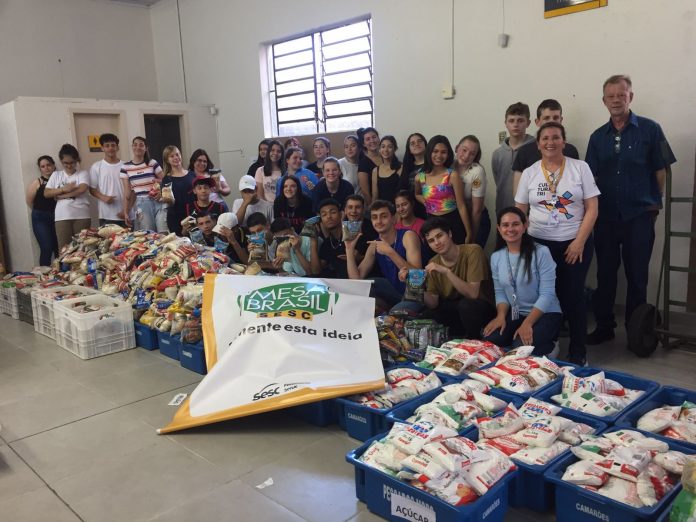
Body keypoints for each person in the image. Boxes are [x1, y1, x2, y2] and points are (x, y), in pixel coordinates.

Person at [585, 74, 676, 344]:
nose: (616, 100)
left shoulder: (651, 129)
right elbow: (590, 179)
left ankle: (637, 333)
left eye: (621, 95)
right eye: (611, 96)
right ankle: (604, 327)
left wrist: (654, 204)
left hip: (639, 215)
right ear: (604, 101)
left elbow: (661, 171)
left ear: (630, 97)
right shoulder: (596, 137)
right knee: (605, 274)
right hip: (605, 217)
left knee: (637, 276)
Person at [515, 122, 600, 365]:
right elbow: (520, 211)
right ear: (538, 144)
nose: (550, 142)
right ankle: (549, 343)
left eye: (555, 137)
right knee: (544, 295)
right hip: (539, 244)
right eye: (545, 138)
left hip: (574, 243)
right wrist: (523, 245)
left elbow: (592, 208)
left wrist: (579, 242)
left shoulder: (580, 168)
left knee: (573, 296)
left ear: (564, 141)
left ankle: (578, 352)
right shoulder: (530, 172)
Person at [483, 207, 563, 356]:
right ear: (499, 229)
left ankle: (551, 346)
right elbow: (500, 292)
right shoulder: (496, 257)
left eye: (515, 224)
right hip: (516, 313)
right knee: (490, 339)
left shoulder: (541, 252)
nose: (510, 229)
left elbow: (547, 294)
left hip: (546, 313)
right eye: (505, 225)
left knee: (520, 348)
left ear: (525, 226)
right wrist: (500, 316)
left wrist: (527, 323)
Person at [417, 217, 496, 338]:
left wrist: (446, 272)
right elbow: (433, 303)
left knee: (466, 305)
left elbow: (473, 294)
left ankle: (474, 340)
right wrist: (415, 287)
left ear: (449, 233)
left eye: (439, 236)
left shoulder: (473, 251)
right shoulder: (433, 262)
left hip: (480, 307)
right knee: (428, 314)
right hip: (456, 309)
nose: (437, 243)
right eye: (431, 240)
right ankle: (454, 339)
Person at [346, 200, 422, 308]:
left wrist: (390, 252)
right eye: (374, 217)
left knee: (393, 312)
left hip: (416, 294)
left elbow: (417, 279)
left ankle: (390, 312)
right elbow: (356, 282)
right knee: (368, 285)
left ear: (393, 219)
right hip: (396, 293)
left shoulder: (408, 236)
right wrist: (349, 250)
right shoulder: (374, 245)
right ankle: (385, 311)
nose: (379, 221)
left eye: (384, 216)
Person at [512, 99, 580, 195]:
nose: (551, 122)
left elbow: (577, 186)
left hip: (567, 202)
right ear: (537, 122)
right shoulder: (524, 152)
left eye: (555, 118)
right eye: (546, 118)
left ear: (561, 120)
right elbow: (518, 194)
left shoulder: (571, 150)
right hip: (533, 204)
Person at [414, 135, 472, 245]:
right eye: (435, 151)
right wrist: (426, 202)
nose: (439, 155)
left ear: (448, 154)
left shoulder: (452, 175)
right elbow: (417, 194)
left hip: (453, 222)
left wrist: (469, 232)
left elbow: (461, 205)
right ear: (429, 152)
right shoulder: (420, 177)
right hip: (432, 224)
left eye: (443, 152)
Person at [43, 144, 92, 250]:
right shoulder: (56, 175)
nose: (69, 166)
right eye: (66, 163)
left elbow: (82, 189)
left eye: (72, 162)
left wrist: (62, 195)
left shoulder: (82, 173)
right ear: (61, 161)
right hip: (62, 216)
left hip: (81, 215)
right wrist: (63, 189)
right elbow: (46, 193)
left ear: (77, 160)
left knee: (82, 248)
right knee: (64, 249)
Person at [491, 102, 534, 216]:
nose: (515, 124)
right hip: (503, 210)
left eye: (520, 120)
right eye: (511, 121)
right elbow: (499, 181)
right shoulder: (497, 154)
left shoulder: (536, 149)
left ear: (528, 123)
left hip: (530, 213)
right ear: (505, 123)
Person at [120, 136, 167, 232]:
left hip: (159, 200)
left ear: (146, 148)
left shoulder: (152, 163)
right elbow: (127, 194)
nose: (138, 147)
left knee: (163, 232)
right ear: (132, 147)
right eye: (135, 145)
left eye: (141, 145)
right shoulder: (125, 167)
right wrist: (126, 212)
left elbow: (166, 181)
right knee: (148, 234)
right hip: (142, 203)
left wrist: (161, 193)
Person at [454, 135, 491, 249]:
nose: (466, 156)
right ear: (457, 148)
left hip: (475, 219)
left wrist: (472, 236)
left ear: (476, 156)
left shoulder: (477, 171)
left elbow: (477, 210)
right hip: (457, 219)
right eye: (464, 150)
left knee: (473, 253)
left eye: (472, 153)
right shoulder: (448, 165)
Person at [26, 155, 58, 265]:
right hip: (41, 218)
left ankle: (61, 273)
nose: (46, 168)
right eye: (43, 166)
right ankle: (44, 274)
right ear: (40, 168)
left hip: (58, 217)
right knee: (46, 247)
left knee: (59, 247)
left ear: (53, 165)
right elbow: (29, 201)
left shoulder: (60, 180)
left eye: (48, 165)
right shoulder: (37, 182)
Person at [89, 133, 125, 227]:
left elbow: (132, 190)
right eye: (107, 146)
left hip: (125, 214)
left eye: (113, 145)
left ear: (117, 147)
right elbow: (92, 188)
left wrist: (127, 209)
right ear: (102, 148)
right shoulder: (96, 166)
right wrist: (103, 197)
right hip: (106, 215)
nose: (110, 148)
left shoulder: (126, 166)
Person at [161, 145, 195, 236]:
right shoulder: (166, 179)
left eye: (177, 154)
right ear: (167, 160)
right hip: (175, 218)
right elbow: (170, 202)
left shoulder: (192, 175)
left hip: (193, 215)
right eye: (172, 156)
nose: (176, 157)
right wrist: (168, 200)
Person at [399, 132, 428, 218]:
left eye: (420, 141)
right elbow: (402, 187)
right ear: (409, 149)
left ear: (425, 144)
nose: (416, 144)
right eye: (412, 143)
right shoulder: (407, 166)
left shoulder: (433, 163)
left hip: (430, 206)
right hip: (411, 209)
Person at [371, 135, 402, 204]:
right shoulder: (375, 170)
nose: (386, 150)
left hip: (398, 207)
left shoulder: (401, 167)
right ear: (379, 149)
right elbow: (375, 196)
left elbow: (403, 193)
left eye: (389, 147)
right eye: (383, 146)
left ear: (395, 149)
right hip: (382, 208)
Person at [356, 127, 381, 205]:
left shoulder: (386, 157)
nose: (372, 140)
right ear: (364, 144)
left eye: (374, 137)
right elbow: (365, 193)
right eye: (368, 139)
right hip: (376, 205)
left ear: (378, 139)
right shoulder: (363, 163)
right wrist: (372, 208)